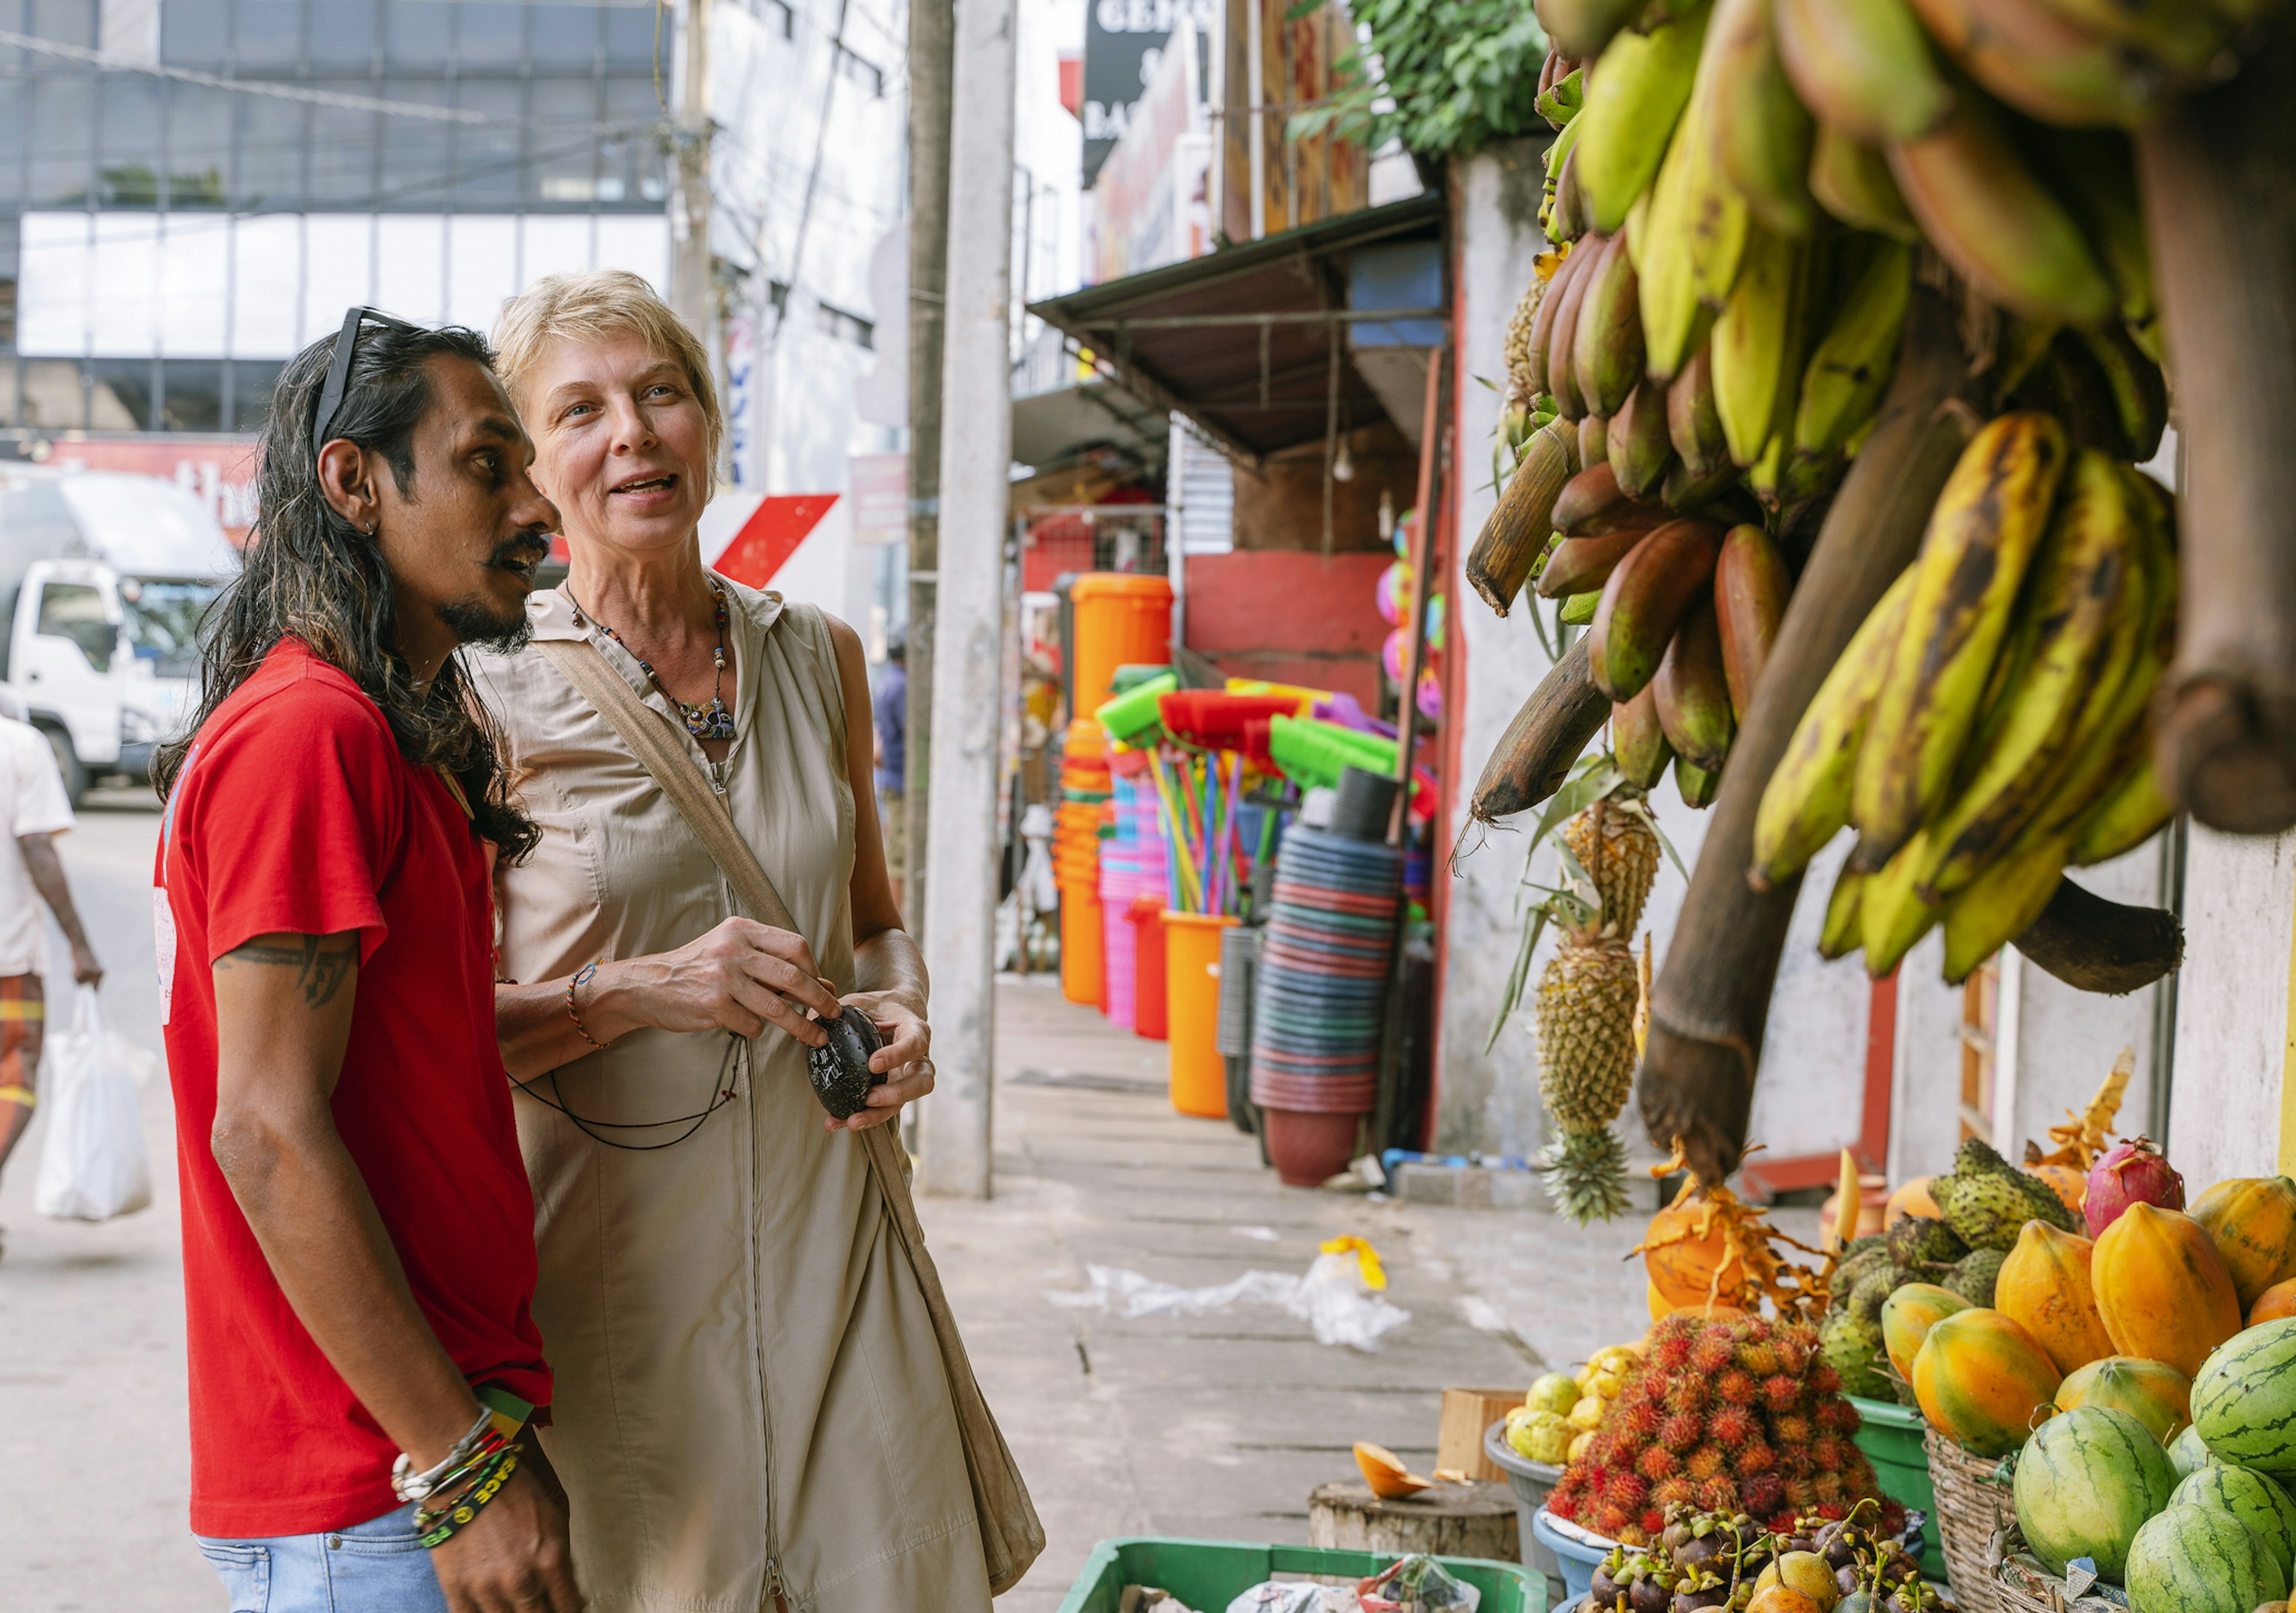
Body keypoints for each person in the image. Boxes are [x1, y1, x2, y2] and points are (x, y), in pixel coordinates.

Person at [474, 269, 994, 1611]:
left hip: (837, 1247)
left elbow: (873, 921)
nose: (633, 434)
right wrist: (635, 990)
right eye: (580, 410)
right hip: (614, 1284)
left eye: (661, 393)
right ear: (529, 466)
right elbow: (431, 1030)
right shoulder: (479, 692)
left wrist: (902, 1012)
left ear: (710, 420)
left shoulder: (819, 654)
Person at [151, 310, 583, 1613]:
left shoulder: (387, 733)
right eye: (487, 464)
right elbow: (268, 1133)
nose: (534, 507)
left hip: (421, 1453)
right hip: (371, 1489)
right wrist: (458, 1464)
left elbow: (411, 1059)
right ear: (354, 481)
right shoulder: (308, 735)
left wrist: (633, 995)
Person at [0, 687, 102, 1258]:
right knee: (15, 1073)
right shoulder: (19, 745)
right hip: (8, 955)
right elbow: (37, 846)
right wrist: (81, 945)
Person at [875, 633, 908, 910]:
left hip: (893, 778)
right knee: (898, 859)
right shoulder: (902, 686)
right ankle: (899, 927)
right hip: (901, 781)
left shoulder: (889, 682)